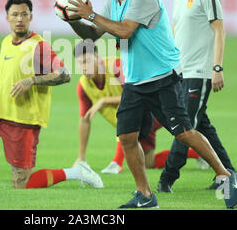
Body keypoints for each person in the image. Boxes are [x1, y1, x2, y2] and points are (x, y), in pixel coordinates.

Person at [66, 0, 237, 209]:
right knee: (126, 137)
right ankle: (146, 195)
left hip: (163, 77)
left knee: (184, 132)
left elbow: (124, 31)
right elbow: (93, 35)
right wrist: (73, 20)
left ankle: (226, 175)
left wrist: (90, 15)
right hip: (135, 81)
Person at [0, 0, 103, 190]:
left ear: (31, 17)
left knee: (24, 184)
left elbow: (64, 74)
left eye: (24, 14)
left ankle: (77, 172)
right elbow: (6, 75)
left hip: (23, 121)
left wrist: (32, 80)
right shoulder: (6, 42)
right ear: (7, 18)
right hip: (0, 112)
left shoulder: (39, 46)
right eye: (15, 14)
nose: (20, 19)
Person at [157, 0, 237, 193]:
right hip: (180, 72)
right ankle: (229, 174)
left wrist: (217, 67)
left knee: (184, 128)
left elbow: (219, 30)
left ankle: (166, 180)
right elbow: (176, 33)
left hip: (199, 72)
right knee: (201, 125)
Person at [72, 39, 202, 173]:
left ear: (98, 58)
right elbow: (85, 120)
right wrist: (81, 158)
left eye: (87, 61)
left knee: (133, 127)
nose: (84, 67)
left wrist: (104, 100)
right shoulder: (83, 86)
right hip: (139, 115)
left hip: (154, 108)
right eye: (80, 64)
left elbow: (134, 94)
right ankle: (196, 153)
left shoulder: (116, 66)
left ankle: (116, 163)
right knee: (148, 162)